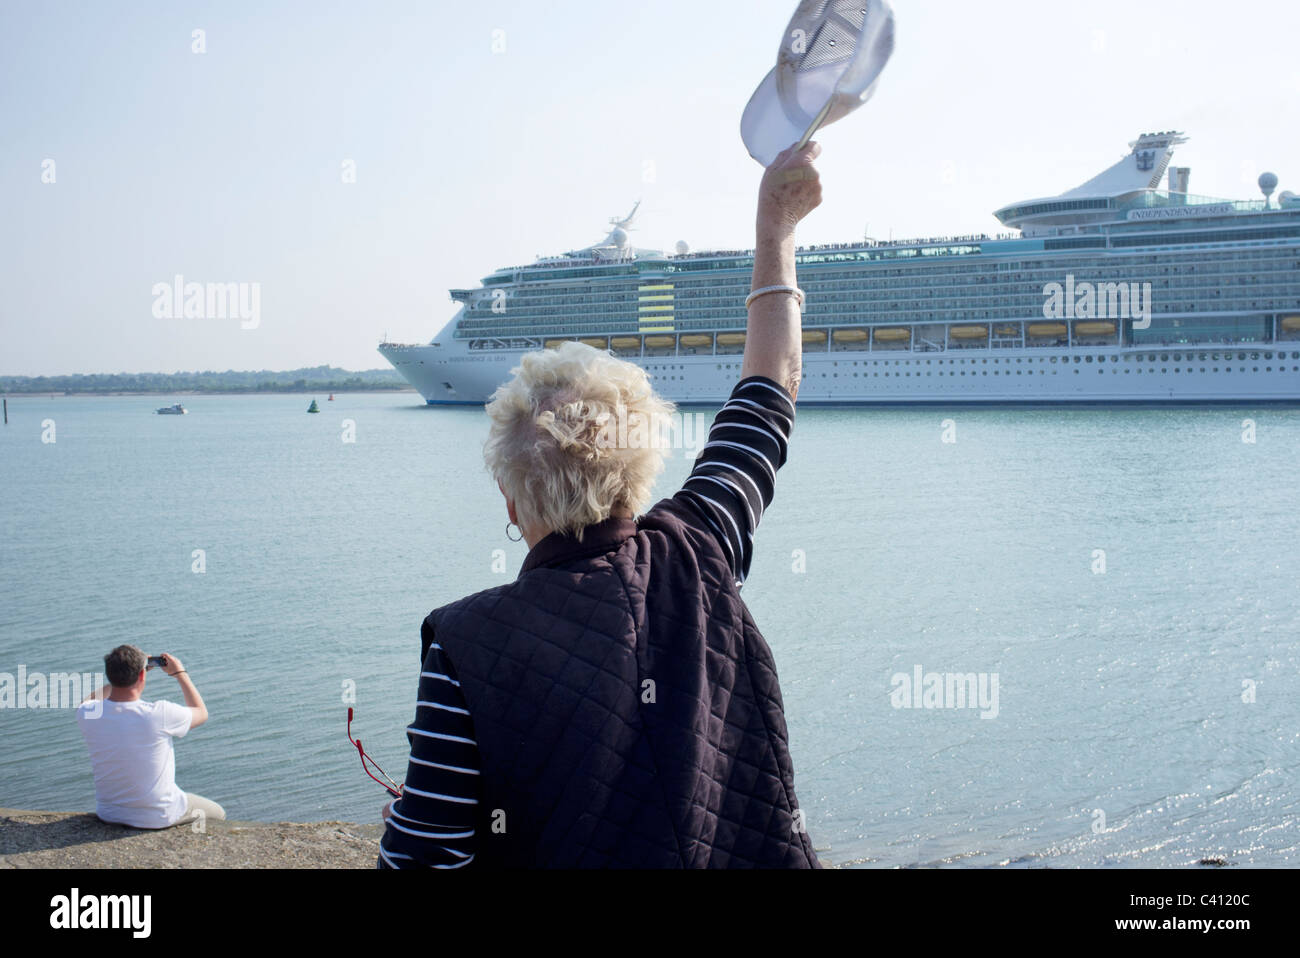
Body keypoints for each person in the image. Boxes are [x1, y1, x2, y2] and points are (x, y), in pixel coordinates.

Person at [379, 140, 823, 869]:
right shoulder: (703, 545)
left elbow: (421, 863)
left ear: (510, 499)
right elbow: (770, 391)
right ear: (641, 468)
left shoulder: (465, 646)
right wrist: (776, 228)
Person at [76, 646, 225, 829]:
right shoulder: (159, 714)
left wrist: (120, 680)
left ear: (110, 676)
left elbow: (88, 700)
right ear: (142, 676)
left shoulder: (87, 713)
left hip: (109, 813)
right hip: (158, 816)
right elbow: (201, 713)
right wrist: (180, 673)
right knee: (218, 813)